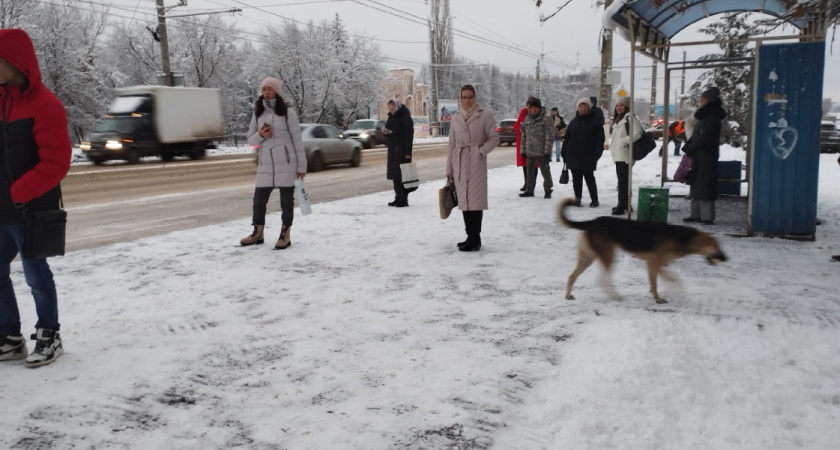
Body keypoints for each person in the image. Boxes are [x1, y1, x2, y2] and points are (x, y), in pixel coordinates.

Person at [0, 29, 72, 368]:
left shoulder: (46, 105)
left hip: (30, 209)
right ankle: (10, 338)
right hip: (1, 210)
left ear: (16, 63)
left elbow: (56, 162)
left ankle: (49, 335)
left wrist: (18, 194)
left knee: (36, 275)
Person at [240, 77, 306, 249]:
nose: (266, 92)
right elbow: (250, 142)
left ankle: (285, 234)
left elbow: (297, 140)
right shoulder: (258, 113)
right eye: (264, 90)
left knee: (286, 201)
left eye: (270, 89)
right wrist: (261, 135)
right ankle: (258, 232)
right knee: (259, 200)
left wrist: (301, 166)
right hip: (266, 164)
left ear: (276, 91)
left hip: (287, 161)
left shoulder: (287, 113)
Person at [446, 84, 500, 252]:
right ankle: (469, 236)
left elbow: (494, 138)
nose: (467, 100)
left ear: (475, 97)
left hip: (476, 163)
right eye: (464, 97)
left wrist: (480, 152)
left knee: (475, 201)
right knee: (464, 201)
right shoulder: (455, 117)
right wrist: (449, 168)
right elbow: (452, 144)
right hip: (460, 161)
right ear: (460, 98)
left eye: (470, 97)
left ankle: (475, 238)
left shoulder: (485, 115)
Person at [682, 87, 726, 225]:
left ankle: (707, 216)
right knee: (696, 183)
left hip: (707, 154)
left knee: (705, 185)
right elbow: (696, 134)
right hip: (699, 154)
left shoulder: (713, 116)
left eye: (704, 99)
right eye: (700, 99)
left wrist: (692, 146)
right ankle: (695, 214)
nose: (701, 102)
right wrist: (689, 146)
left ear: (711, 101)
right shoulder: (704, 114)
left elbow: (705, 136)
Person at [561, 97, 605, 207]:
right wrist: (564, 152)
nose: (583, 108)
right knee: (576, 179)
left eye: (585, 106)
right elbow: (567, 138)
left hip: (588, 156)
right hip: (573, 155)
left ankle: (594, 200)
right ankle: (577, 199)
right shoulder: (573, 122)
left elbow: (600, 141)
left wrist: (596, 155)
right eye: (580, 106)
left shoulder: (595, 122)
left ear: (589, 108)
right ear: (578, 108)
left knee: (589, 178)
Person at [606, 96, 644, 215]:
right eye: (617, 105)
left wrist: (624, 141)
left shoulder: (630, 118)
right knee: (623, 181)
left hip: (625, 156)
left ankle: (621, 205)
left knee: (623, 182)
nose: (619, 107)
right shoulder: (619, 120)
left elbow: (638, 133)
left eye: (622, 105)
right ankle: (626, 204)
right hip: (619, 155)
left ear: (627, 107)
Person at [519, 98, 554, 199]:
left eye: (535, 108)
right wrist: (523, 150)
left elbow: (549, 136)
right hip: (530, 149)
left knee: (545, 171)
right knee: (529, 171)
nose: (533, 110)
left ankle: (548, 189)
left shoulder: (546, 118)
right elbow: (524, 136)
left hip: (541, 150)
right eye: (532, 108)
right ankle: (529, 189)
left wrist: (547, 151)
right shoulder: (527, 119)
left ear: (539, 108)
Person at [384, 98, 414, 207]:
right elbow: (390, 132)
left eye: (393, 109)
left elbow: (408, 136)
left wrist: (407, 152)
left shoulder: (405, 118)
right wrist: (386, 132)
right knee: (395, 177)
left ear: (397, 107)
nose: (391, 111)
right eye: (390, 109)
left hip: (401, 151)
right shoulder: (391, 118)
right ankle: (397, 197)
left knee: (403, 176)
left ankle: (404, 199)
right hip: (393, 151)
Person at [514, 97, 534, 191]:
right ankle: (527, 183)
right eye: (528, 107)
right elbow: (517, 125)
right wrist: (520, 130)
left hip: (534, 142)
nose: (529, 109)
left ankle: (531, 183)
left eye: (531, 107)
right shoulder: (523, 113)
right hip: (523, 141)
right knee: (525, 164)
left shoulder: (538, 114)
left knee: (534, 165)